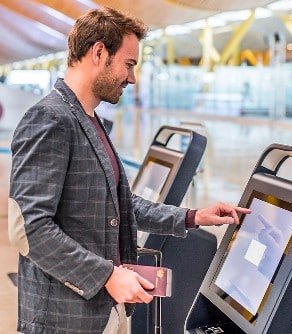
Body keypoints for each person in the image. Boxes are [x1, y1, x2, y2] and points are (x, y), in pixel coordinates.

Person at [8, 7, 251, 334]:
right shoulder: (51, 119)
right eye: (129, 64)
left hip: (103, 310)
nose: (132, 78)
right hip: (64, 320)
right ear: (98, 53)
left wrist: (192, 217)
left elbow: (118, 203)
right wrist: (106, 276)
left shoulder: (88, 120)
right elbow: (28, 228)